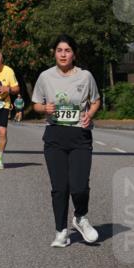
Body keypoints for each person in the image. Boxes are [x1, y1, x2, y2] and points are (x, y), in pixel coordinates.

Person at [31, 35, 101, 247]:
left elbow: (96, 100)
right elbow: (35, 104)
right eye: (59, 50)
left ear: (74, 54)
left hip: (80, 135)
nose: (63, 54)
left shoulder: (85, 76)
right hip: (55, 136)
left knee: (79, 187)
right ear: (54, 53)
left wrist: (90, 114)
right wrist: (44, 108)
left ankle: (80, 217)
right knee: (59, 187)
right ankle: (61, 231)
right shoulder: (45, 77)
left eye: (68, 50)